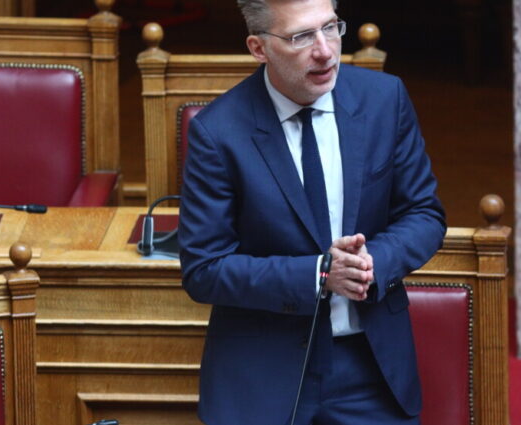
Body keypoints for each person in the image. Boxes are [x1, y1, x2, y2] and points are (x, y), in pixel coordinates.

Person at [178, 0, 446, 423]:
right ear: (259, 48)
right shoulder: (217, 131)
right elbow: (204, 269)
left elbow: (424, 213)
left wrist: (372, 263)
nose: (324, 50)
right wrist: (320, 275)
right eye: (301, 36)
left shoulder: (384, 99)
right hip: (262, 372)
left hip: (370, 366)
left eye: (331, 27)